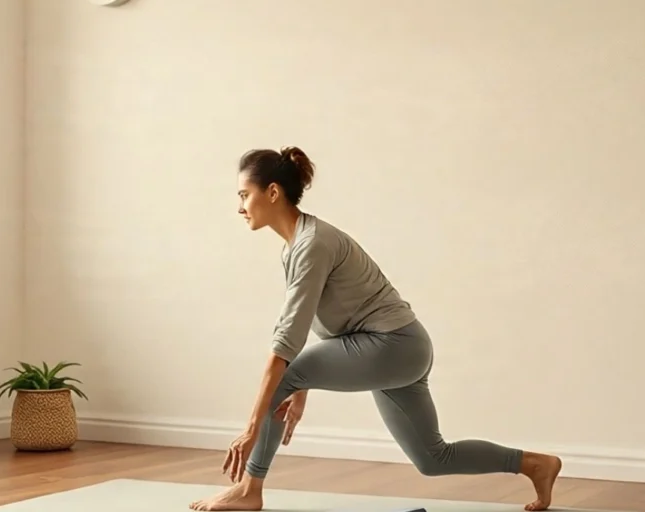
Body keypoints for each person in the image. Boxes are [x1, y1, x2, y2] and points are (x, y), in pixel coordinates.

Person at [188, 147, 562, 512]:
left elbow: (285, 344)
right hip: (402, 346)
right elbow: (316, 322)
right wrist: (300, 387)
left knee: (283, 375)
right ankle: (534, 464)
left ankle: (248, 490)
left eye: (244, 195)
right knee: (433, 457)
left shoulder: (311, 244)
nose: (239, 207)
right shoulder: (298, 244)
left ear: (272, 192)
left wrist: (252, 429)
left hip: (391, 345)